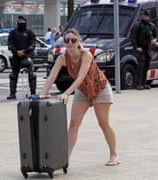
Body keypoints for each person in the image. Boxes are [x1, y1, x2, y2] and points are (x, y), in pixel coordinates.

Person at [40, 28, 119, 166]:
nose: (70, 43)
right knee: (74, 123)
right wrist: (42, 93)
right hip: (83, 91)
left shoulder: (86, 55)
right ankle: (66, 158)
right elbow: (52, 76)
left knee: (103, 123)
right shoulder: (62, 58)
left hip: (99, 89)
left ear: (78, 42)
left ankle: (114, 154)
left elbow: (80, 77)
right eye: (67, 40)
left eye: (73, 40)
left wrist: (66, 93)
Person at [7, 15, 36, 100]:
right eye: (19, 21)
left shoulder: (30, 32)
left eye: (22, 21)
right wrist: (16, 51)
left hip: (26, 55)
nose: (21, 22)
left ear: (25, 21)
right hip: (16, 55)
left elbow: (32, 44)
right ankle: (12, 93)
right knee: (13, 75)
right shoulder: (13, 32)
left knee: (32, 75)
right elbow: (10, 43)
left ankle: (33, 93)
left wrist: (25, 51)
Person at [130, 9, 158, 90]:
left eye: (145, 16)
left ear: (148, 16)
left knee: (146, 66)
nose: (143, 17)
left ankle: (144, 83)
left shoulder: (151, 26)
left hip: (148, 49)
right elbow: (133, 37)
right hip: (140, 48)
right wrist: (136, 47)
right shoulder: (137, 25)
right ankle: (138, 84)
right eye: (142, 15)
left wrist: (155, 40)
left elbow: (156, 35)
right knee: (140, 66)